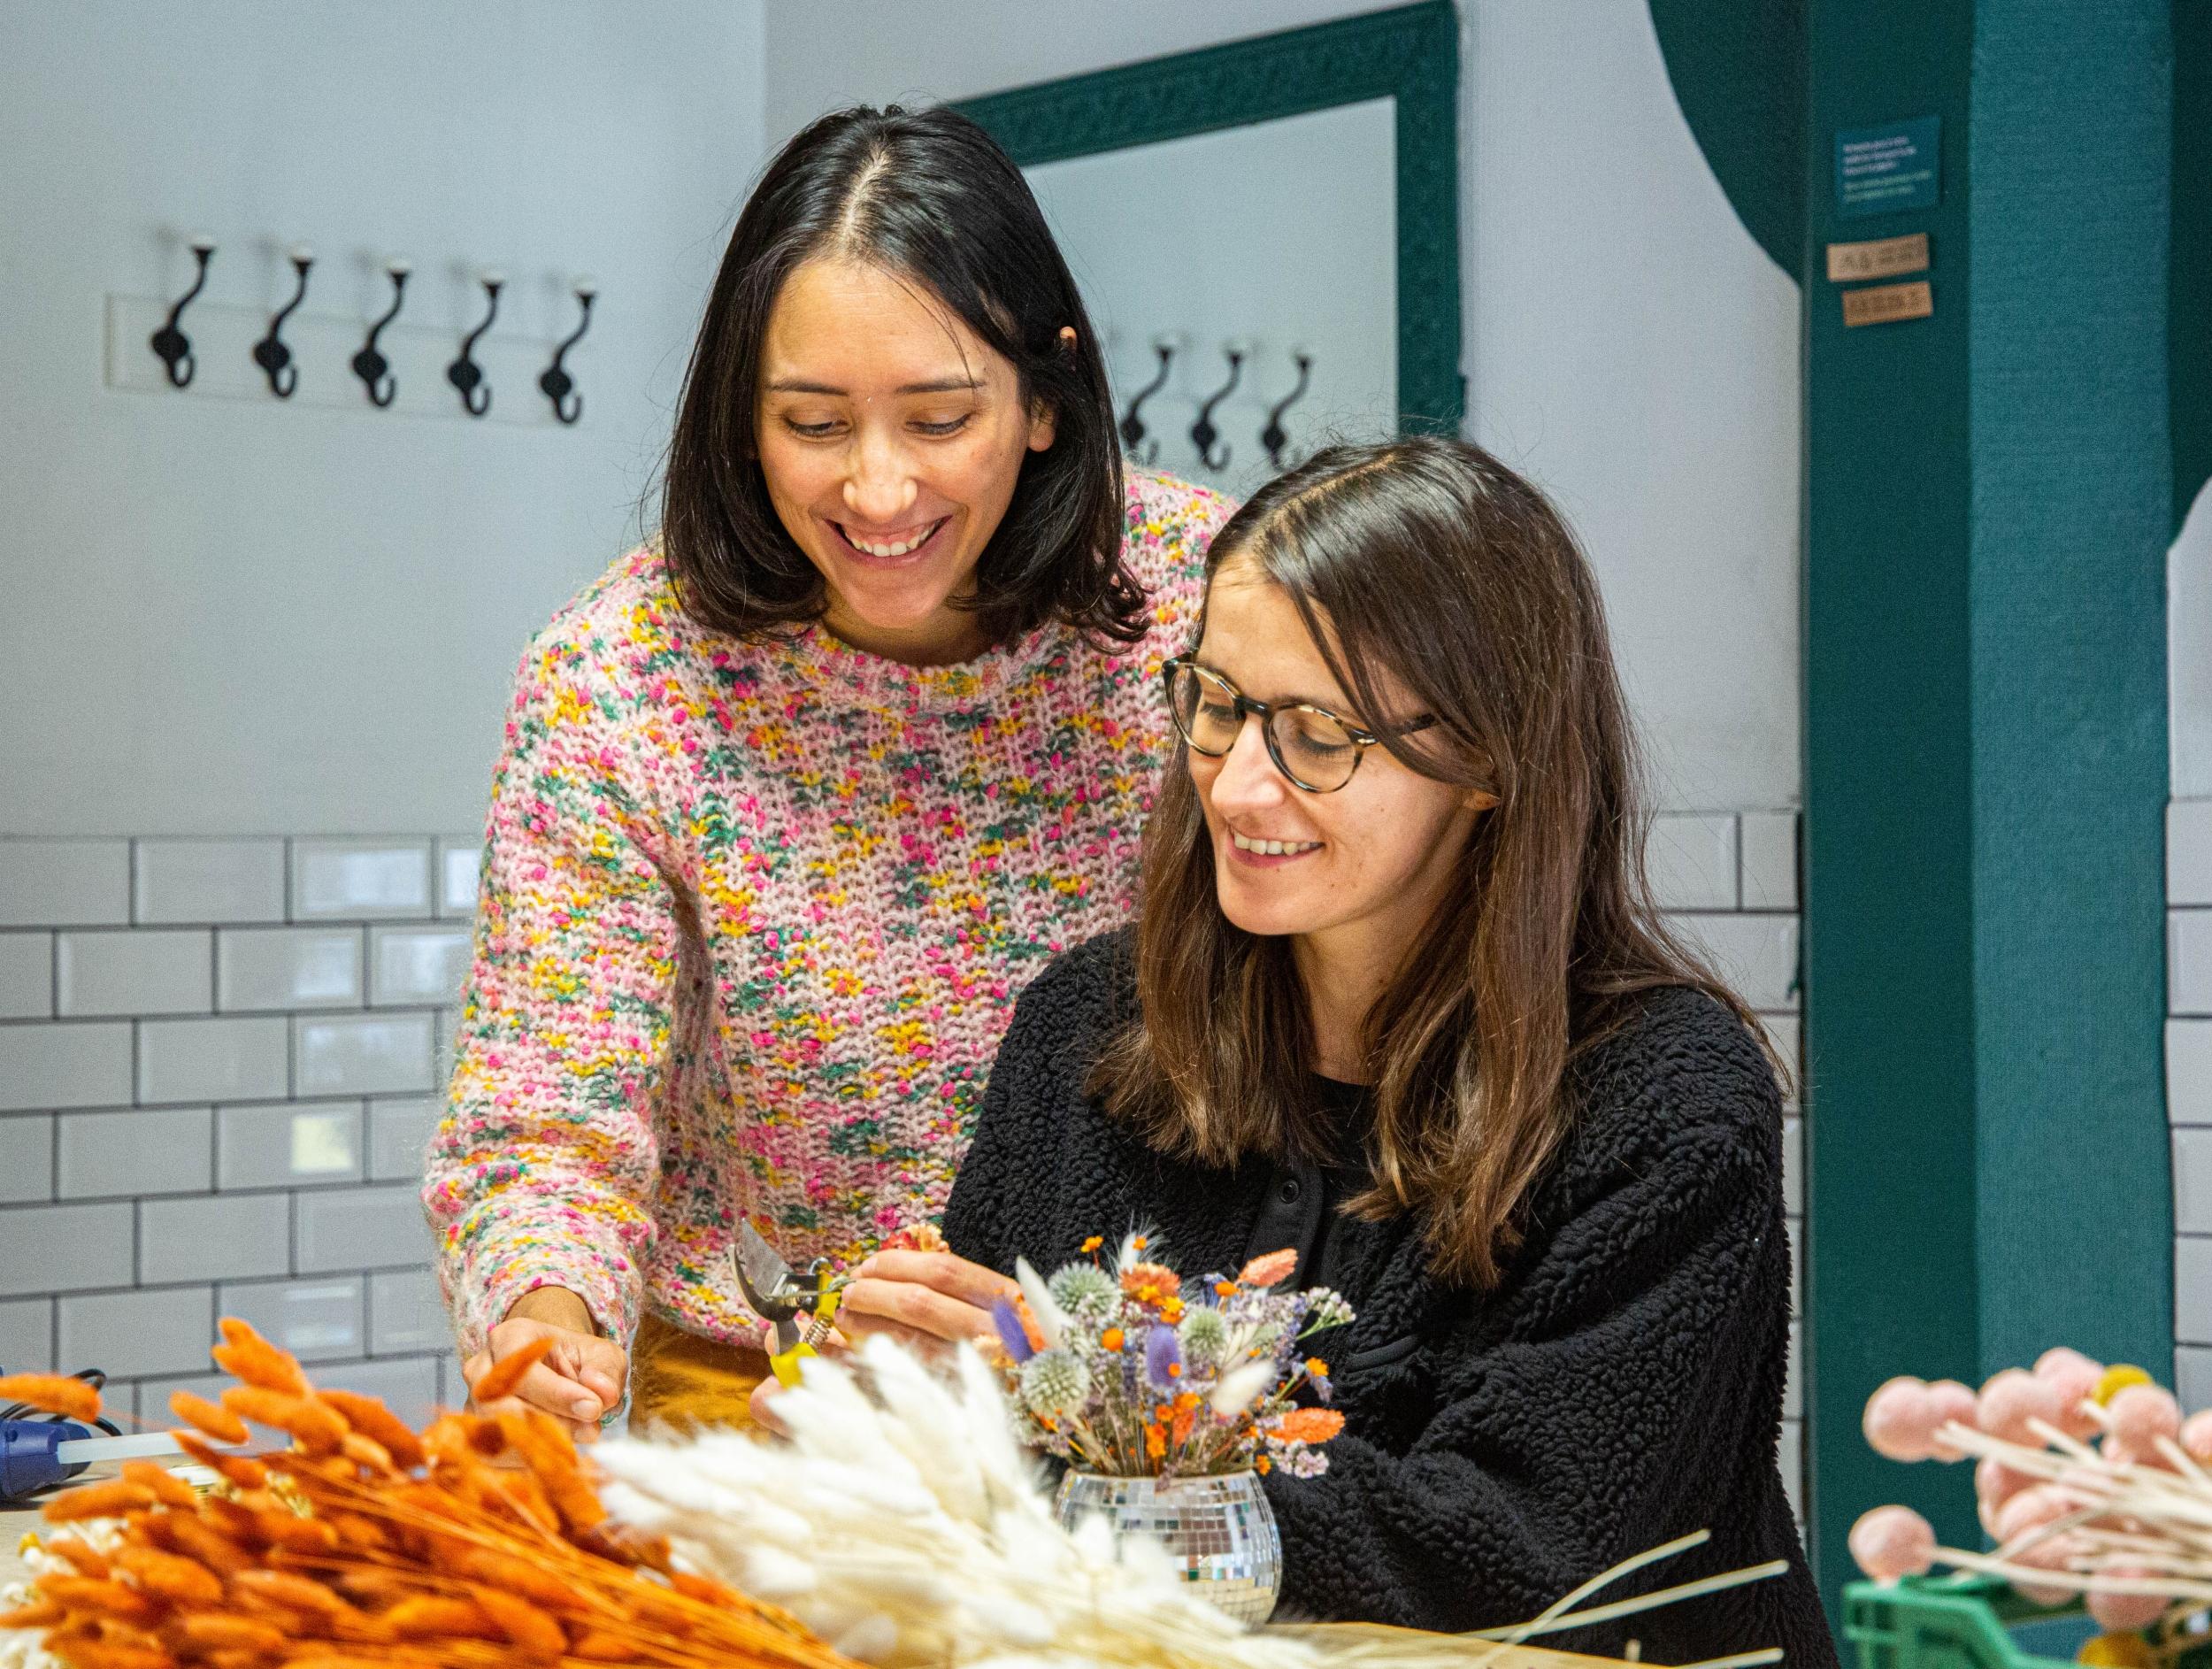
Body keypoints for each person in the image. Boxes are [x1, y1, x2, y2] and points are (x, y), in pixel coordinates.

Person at [821, 436, 1835, 1658]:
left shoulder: (1663, 1106)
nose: (1242, 786)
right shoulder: (1086, 1032)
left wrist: (1093, 1406)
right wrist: (911, 1383)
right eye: (1219, 703)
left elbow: (1516, 1556)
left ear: (1489, 758)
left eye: (1317, 731)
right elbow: (980, 1469)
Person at [423, 104, 1233, 1437]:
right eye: (813, 420)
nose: (876, 489)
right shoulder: (623, 676)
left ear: (1044, 397)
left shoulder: (1201, 611)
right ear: (744, 418)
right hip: (764, 1405)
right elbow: (549, 1111)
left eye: (938, 416)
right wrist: (545, 1327)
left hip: (1148, 1395)